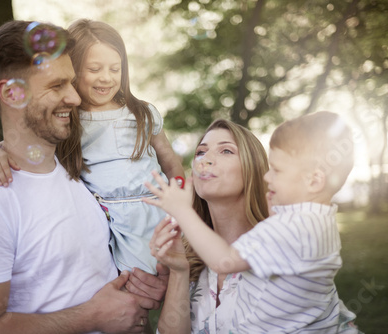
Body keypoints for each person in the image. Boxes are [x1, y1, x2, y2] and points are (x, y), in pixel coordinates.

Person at [0, 20, 166, 334]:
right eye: (56, 85)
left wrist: (147, 286)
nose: (76, 98)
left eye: (72, 83)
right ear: (12, 93)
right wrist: (92, 317)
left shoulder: (76, 169)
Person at [0, 18, 184, 275]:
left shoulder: (140, 113)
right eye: (95, 68)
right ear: (74, 70)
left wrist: (181, 204)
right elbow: (26, 143)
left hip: (152, 212)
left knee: (174, 279)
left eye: (115, 69)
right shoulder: (67, 118)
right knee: (130, 288)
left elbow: (170, 161)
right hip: (105, 219)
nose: (106, 78)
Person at [145, 114, 361, 333]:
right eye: (201, 152)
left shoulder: (287, 240)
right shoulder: (193, 258)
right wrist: (179, 271)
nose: (205, 160)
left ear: (254, 168)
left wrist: (182, 212)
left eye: (226, 150)